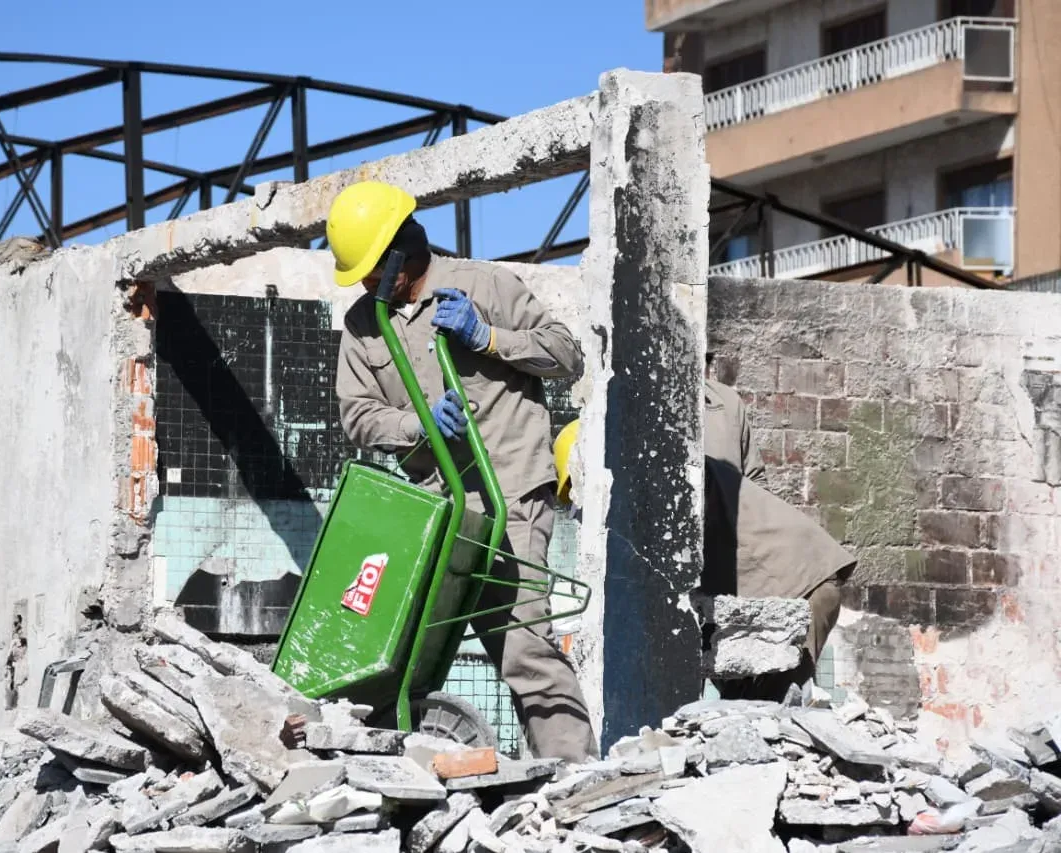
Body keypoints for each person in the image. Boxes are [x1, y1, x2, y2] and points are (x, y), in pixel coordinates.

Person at [327, 180, 598, 764]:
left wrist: (489, 336)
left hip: (510, 499)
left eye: (376, 270)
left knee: (525, 650)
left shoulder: (486, 286)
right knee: (402, 656)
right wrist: (415, 426)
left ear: (404, 247)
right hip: (438, 511)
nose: (372, 286)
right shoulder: (363, 326)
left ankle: (576, 782)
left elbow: (566, 355)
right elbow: (357, 415)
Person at [553, 372, 856, 702]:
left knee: (771, 714)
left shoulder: (673, 483)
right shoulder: (658, 491)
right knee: (740, 716)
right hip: (761, 595)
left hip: (802, 587)